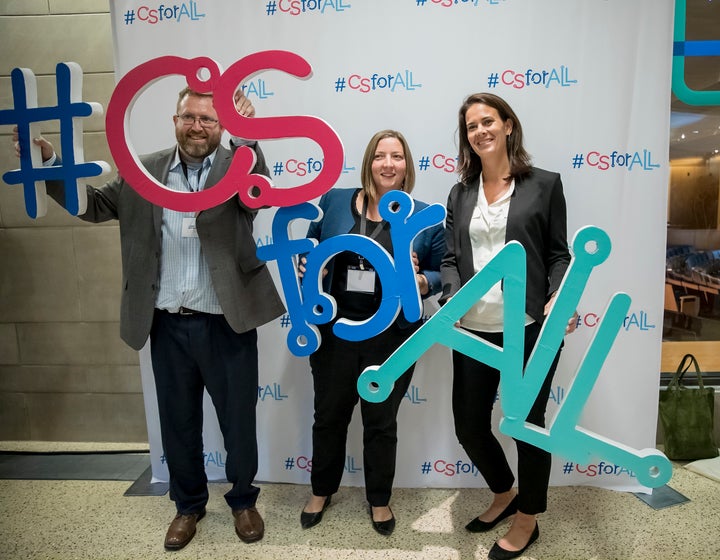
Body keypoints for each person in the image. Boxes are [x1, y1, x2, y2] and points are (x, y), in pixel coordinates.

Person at [13, 87, 285, 550]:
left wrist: (247, 141)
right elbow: (95, 205)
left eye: (208, 120)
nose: (198, 126)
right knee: (177, 422)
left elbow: (257, 198)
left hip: (227, 321)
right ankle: (188, 506)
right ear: (174, 119)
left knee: (237, 421)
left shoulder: (237, 167)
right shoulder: (143, 171)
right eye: (190, 117)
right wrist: (52, 164)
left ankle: (242, 501)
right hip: (167, 323)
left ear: (222, 128)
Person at [440, 93, 578, 560]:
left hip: (528, 326)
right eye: (471, 126)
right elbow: (450, 259)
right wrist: (452, 294)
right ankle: (504, 491)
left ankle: (527, 518)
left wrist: (559, 296)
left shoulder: (544, 184)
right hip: (473, 327)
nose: (480, 131)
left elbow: (559, 254)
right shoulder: (460, 192)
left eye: (487, 122)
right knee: (469, 425)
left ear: (508, 126)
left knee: (526, 425)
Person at [298, 130, 445, 535]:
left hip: (392, 334)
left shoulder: (425, 216)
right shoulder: (334, 201)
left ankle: (379, 499)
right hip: (337, 329)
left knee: (380, 421)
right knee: (328, 415)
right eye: (380, 156)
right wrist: (307, 266)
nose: (388, 164)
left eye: (397, 156)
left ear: (406, 165)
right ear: (368, 162)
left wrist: (421, 281)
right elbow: (311, 248)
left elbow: (442, 271)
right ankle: (320, 491)